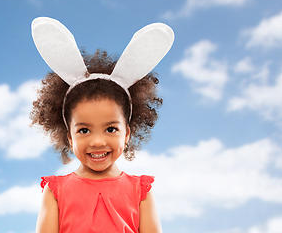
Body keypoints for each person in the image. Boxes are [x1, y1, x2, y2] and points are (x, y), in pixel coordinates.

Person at [30, 17, 174, 233]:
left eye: (111, 129)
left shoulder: (140, 191)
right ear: (69, 137)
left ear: (127, 134)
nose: (97, 141)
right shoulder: (55, 192)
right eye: (84, 130)